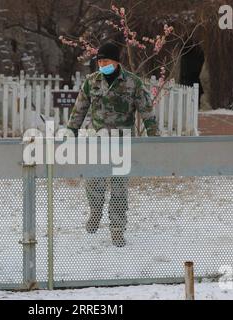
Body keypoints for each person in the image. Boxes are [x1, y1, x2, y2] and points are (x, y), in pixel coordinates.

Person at [67, 42, 158, 247]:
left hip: (121, 142)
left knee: (118, 188)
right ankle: (95, 211)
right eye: (99, 61)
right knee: (93, 182)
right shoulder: (92, 82)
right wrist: (70, 131)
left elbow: (146, 110)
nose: (102, 64)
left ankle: (117, 228)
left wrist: (154, 136)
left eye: (106, 60)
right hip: (96, 141)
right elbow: (79, 109)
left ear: (116, 61)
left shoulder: (133, 83)